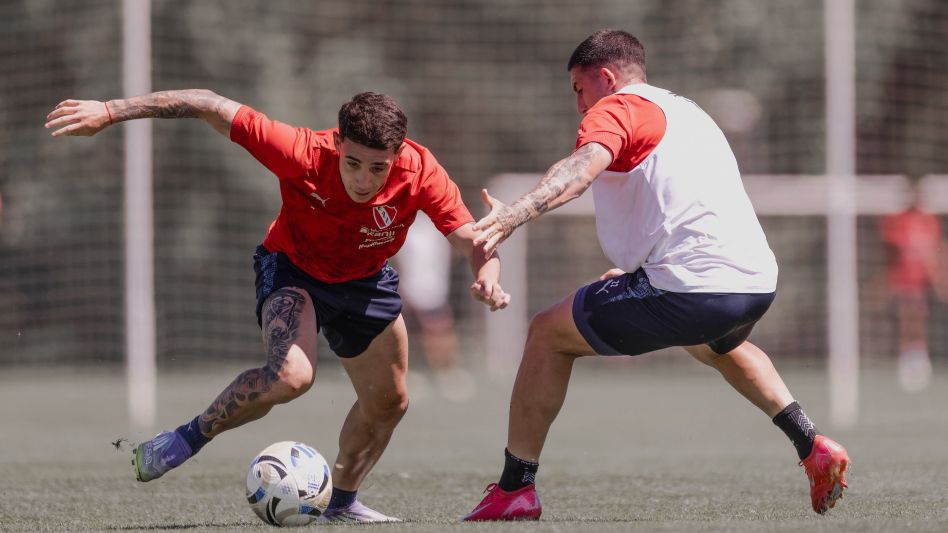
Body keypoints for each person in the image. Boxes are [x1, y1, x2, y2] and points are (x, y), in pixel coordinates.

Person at [45, 89, 510, 523]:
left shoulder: (420, 169)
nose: (364, 180)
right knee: (292, 377)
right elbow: (206, 102)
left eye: (377, 168)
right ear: (337, 142)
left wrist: (487, 275)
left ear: (398, 155)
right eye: (353, 164)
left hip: (365, 282)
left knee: (390, 403)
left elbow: (471, 238)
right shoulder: (301, 150)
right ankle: (185, 438)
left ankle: (343, 503)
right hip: (293, 269)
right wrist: (110, 111)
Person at [462, 29, 849, 521]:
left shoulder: (617, 108)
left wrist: (512, 216)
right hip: (753, 284)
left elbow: (580, 170)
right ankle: (811, 444)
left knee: (546, 333)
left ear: (605, 77)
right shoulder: (687, 111)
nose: (580, 106)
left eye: (580, 90)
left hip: (692, 287)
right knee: (710, 342)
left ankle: (516, 489)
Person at [392, 214, 476, 402]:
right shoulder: (405, 228)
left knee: (439, 332)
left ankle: (447, 371)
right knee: (408, 334)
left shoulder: (438, 227)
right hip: (410, 288)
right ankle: (408, 373)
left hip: (433, 288)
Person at [880, 182, 943, 392]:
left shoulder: (929, 221)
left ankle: (920, 359)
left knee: (919, 318)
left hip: (921, 280)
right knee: (908, 319)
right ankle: (906, 361)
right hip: (904, 280)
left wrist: (938, 279)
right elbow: (891, 255)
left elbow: (934, 253)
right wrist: (887, 281)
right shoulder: (898, 221)